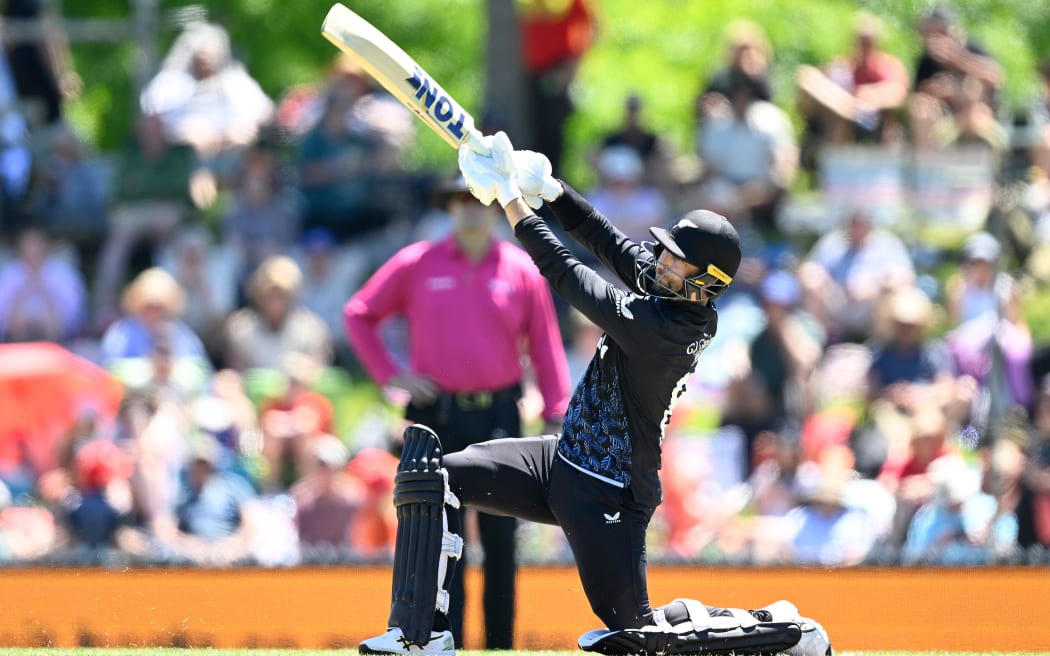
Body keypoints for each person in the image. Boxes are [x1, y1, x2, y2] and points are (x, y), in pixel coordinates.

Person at [357, 132, 830, 656]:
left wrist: (512, 202)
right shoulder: (667, 292)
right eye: (667, 253)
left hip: (610, 491)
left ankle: (786, 635)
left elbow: (568, 275)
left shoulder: (665, 327)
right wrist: (553, 190)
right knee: (434, 475)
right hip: (562, 459)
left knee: (636, 635)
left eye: (678, 263)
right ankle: (420, 637)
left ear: (706, 285)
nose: (662, 264)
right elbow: (609, 243)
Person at [344, 174, 572, 650]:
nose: (470, 208)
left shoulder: (520, 269)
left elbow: (546, 345)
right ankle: (446, 643)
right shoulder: (418, 263)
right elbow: (359, 314)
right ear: (449, 207)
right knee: (443, 541)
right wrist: (393, 375)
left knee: (501, 540)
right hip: (438, 416)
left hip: (499, 416)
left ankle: (500, 646)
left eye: (479, 199)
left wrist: (556, 412)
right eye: (461, 199)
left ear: (493, 208)